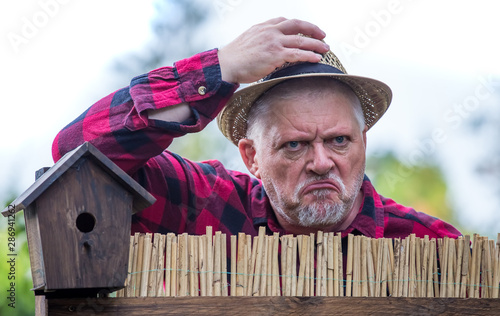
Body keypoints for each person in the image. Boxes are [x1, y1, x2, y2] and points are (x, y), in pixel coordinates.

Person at [52, 18, 460, 240]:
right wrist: (221, 67)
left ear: (363, 143)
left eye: (339, 140)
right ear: (251, 158)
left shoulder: (430, 244)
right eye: (295, 145)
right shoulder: (205, 206)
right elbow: (76, 152)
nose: (322, 163)